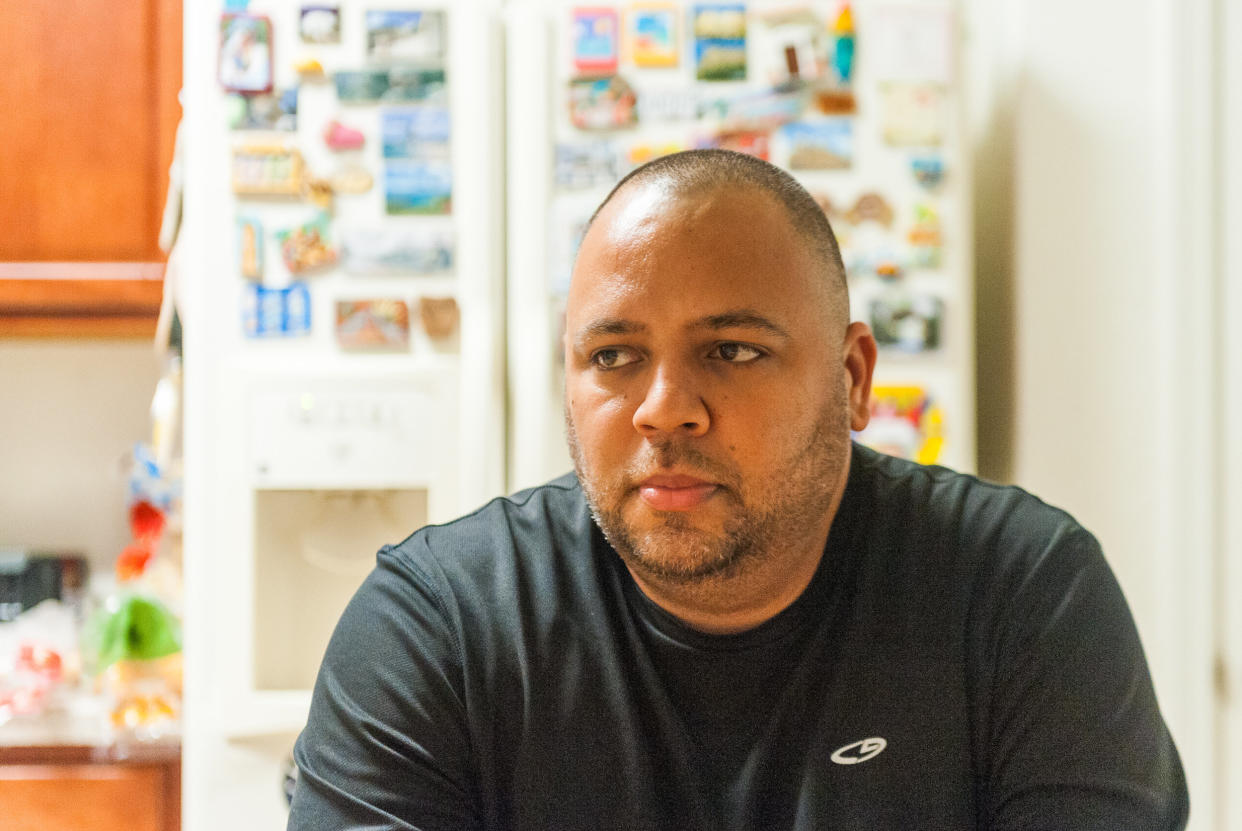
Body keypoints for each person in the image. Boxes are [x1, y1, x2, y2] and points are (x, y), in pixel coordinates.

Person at [288, 149, 1188, 829]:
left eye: (733, 350)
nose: (664, 409)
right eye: (614, 356)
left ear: (852, 378)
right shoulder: (439, 624)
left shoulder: (1022, 595)